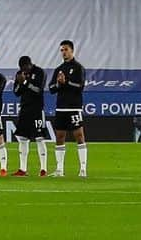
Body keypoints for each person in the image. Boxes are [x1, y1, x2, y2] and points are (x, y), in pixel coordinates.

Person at [48, 39, 87, 178]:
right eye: (62, 50)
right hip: (61, 108)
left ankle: (82, 169)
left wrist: (67, 82)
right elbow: (51, 88)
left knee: (79, 136)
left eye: (66, 50)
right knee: (59, 137)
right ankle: (59, 170)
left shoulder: (78, 68)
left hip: (74, 107)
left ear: (72, 50)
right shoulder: (58, 69)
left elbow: (80, 87)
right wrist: (59, 84)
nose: (63, 53)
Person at [12, 54, 47, 177]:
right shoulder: (19, 74)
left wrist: (25, 82)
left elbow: (38, 90)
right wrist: (21, 83)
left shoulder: (39, 72)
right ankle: (22, 169)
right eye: (22, 68)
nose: (24, 70)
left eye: (25, 67)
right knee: (22, 138)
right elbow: (16, 92)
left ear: (30, 64)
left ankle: (43, 169)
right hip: (24, 109)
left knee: (39, 138)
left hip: (37, 109)